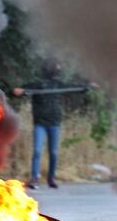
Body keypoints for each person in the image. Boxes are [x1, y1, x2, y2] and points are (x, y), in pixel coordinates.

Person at [12, 59, 87, 190]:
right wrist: (17, 91)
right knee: (37, 151)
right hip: (40, 123)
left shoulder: (58, 85)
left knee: (53, 153)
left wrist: (86, 86)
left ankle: (51, 178)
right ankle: (34, 178)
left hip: (54, 123)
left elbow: (74, 88)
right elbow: (19, 91)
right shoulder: (37, 85)